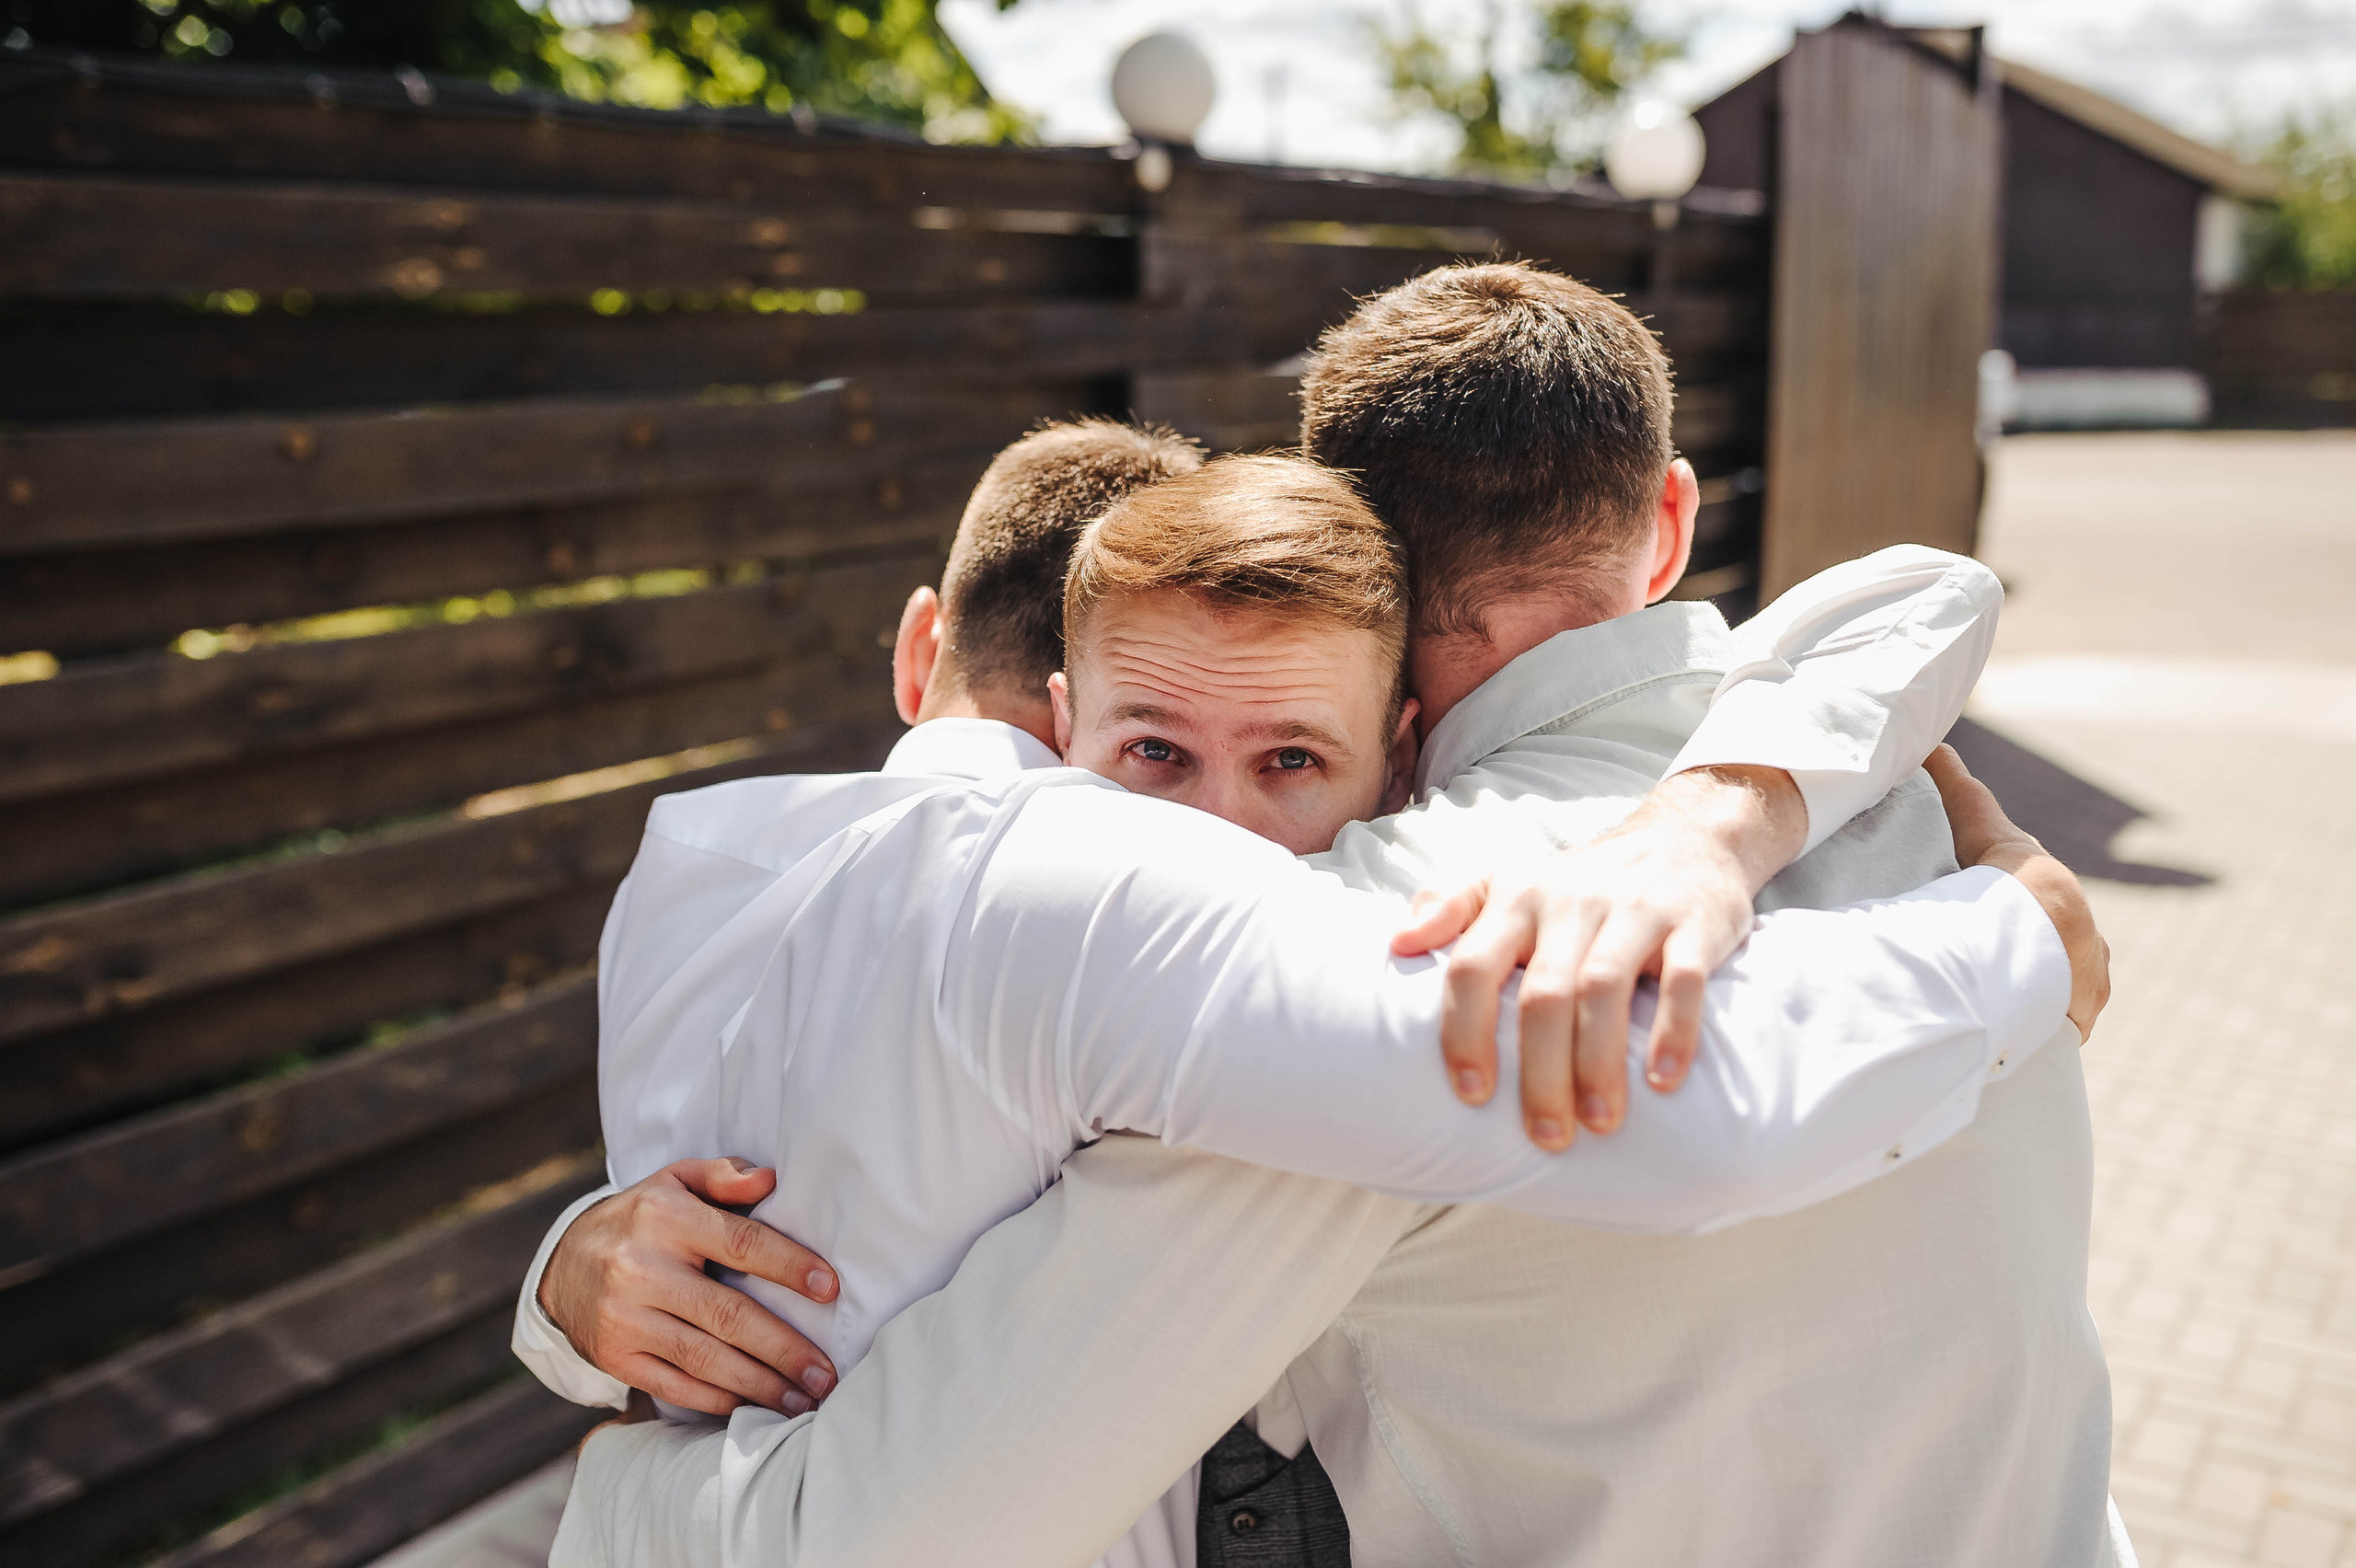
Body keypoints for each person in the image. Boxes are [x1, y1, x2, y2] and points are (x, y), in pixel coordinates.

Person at [535, 265, 2120, 1566]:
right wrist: (2021, 933)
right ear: (1672, 520)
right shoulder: (1895, 786)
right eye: (1159, 754)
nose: (1216, 825)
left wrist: (609, 1476)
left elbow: (908, 1513)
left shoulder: (1401, 926)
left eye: (1283, 757)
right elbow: (1913, 594)